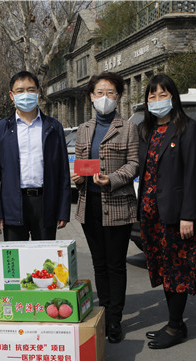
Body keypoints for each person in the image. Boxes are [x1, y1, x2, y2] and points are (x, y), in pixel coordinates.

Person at [71, 72, 138, 344]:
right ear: (91, 96)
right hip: (90, 204)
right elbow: (78, 160)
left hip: (118, 203)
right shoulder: (84, 128)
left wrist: (112, 179)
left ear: (118, 96)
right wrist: (76, 176)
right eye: (99, 92)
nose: (105, 98)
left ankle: (114, 318)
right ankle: (104, 309)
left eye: (111, 92)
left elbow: (133, 163)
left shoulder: (128, 127)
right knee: (99, 264)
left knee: (115, 264)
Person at [137, 74, 196, 349]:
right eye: (151, 96)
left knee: (177, 269)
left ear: (173, 97)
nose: (156, 100)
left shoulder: (187, 128)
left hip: (176, 215)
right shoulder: (145, 130)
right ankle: (174, 322)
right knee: (163, 269)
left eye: (162, 95)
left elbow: (193, 174)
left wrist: (189, 214)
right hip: (150, 214)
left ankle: (176, 327)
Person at [0, 71, 71, 241]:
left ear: (39, 92)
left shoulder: (53, 127)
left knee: (46, 262)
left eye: (31, 89)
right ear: (11, 95)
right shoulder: (1, 129)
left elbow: (63, 173)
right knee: (16, 262)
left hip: (45, 202)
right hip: (13, 204)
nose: (26, 94)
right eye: (20, 90)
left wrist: (63, 210)